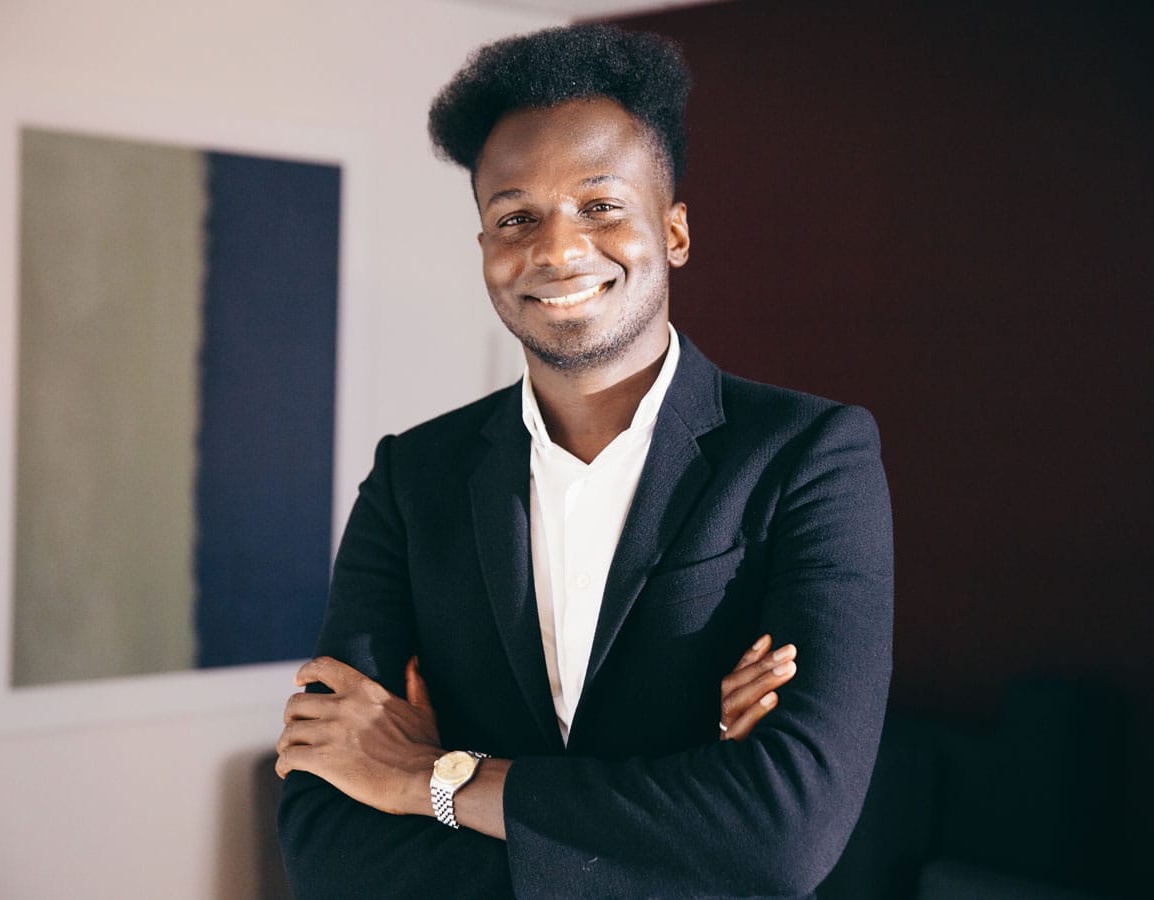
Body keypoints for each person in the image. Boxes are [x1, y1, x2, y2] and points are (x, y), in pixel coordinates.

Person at [276, 23, 892, 900]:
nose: (558, 250)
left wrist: (430, 779)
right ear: (485, 249)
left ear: (673, 231)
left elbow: (782, 832)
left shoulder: (808, 456)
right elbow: (324, 839)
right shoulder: (413, 479)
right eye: (515, 217)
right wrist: (681, 810)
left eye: (601, 206)